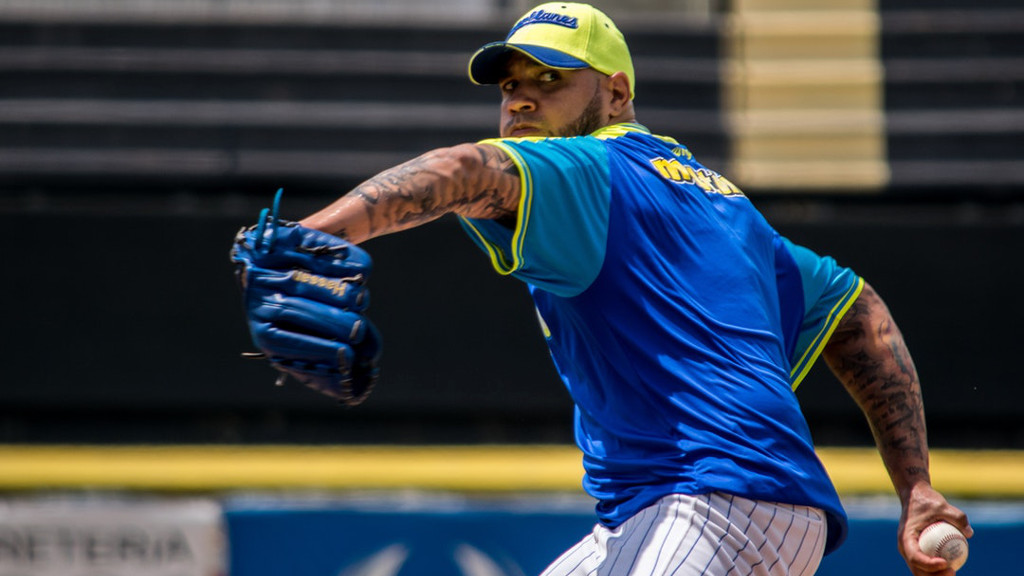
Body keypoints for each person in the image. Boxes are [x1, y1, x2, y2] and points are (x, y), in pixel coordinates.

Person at [296, 3, 971, 574]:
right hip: (676, 509)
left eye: (550, 78)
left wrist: (310, 239)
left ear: (616, 94)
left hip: (716, 500)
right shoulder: (723, 206)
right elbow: (858, 313)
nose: (520, 98)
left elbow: (461, 170)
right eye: (508, 86)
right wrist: (916, 488)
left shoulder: (591, 168)